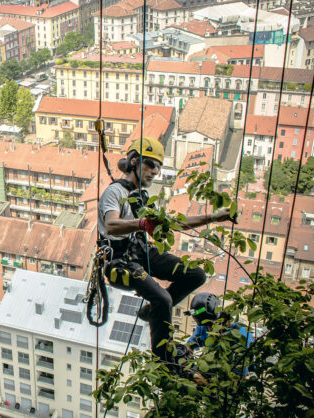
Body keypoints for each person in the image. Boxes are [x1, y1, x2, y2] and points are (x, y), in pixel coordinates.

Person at [97, 137, 231, 363]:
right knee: (163, 299)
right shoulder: (116, 192)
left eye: (158, 166)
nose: (155, 171)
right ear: (134, 162)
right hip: (118, 261)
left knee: (195, 275)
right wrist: (141, 224)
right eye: (150, 164)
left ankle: (152, 312)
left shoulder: (142, 198)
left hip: (139, 252)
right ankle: (165, 358)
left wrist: (212, 217)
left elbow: (171, 222)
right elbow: (111, 224)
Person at [187, 292, 254, 351]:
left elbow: (246, 361)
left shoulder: (241, 334)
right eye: (207, 326)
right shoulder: (203, 327)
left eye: (211, 325)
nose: (209, 330)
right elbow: (190, 344)